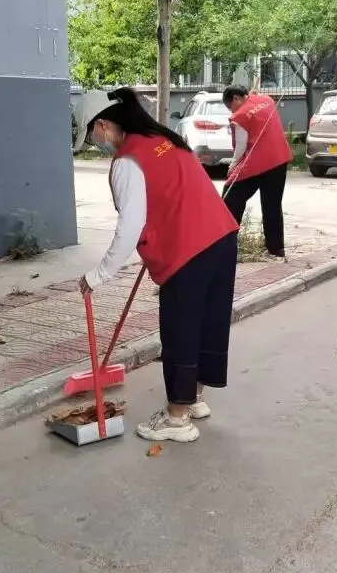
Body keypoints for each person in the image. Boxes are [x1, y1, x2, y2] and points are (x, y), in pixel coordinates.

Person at [80, 88, 239, 443]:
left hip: (187, 251)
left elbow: (129, 226)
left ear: (103, 125)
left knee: (181, 330)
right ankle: (195, 398)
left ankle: (177, 418)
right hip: (222, 237)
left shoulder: (127, 161)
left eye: (91, 135)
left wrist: (98, 274)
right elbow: (173, 192)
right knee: (208, 323)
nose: (94, 143)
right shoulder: (163, 139)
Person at [221, 85, 293, 260]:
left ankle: (225, 245)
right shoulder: (267, 100)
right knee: (272, 204)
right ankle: (276, 249)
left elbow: (240, 146)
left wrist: (232, 166)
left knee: (231, 195)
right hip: (279, 159)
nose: (231, 111)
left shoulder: (239, 116)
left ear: (236, 98)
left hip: (257, 163)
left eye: (230, 106)